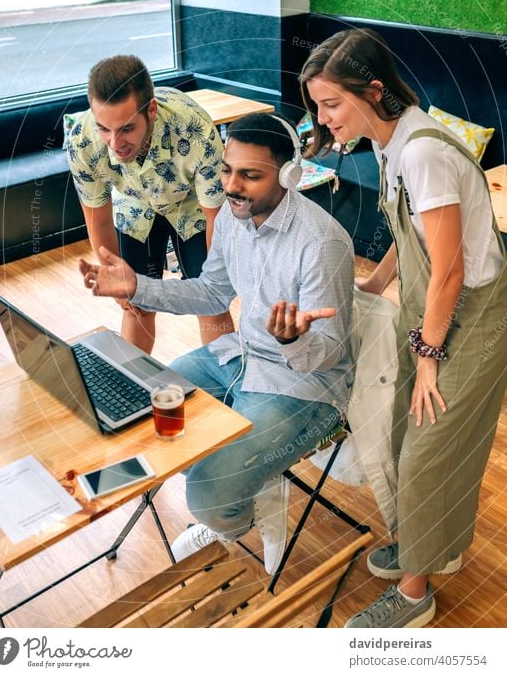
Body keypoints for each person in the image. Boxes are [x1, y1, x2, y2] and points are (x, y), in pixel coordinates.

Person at [78, 112, 355, 574]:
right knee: (144, 413)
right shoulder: (232, 216)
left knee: (207, 494)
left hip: (305, 385)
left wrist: (291, 340)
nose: (231, 185)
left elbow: (327, 351)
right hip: (238, 357)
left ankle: (231, 512)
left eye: (250, 175)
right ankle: (246, 481)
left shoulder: (322, 243)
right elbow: (211, 292)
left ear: (289, 174)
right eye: (227, 170)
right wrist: (137, 287)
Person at [300, 27, 507, 628]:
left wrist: (428, 355)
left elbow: (449, 270)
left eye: (332, 104)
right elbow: (407, 231)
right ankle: (431, 544)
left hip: (474, 317)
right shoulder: (389, 143)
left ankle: (414, 596)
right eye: (317, 105)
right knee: (399, 433)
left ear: (374, 90)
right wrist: (373, 286)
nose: (324, 117)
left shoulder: (422, 152)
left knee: (428, 452)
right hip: (436, 310)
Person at [67, 54, 233, 353]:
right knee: (135, 306)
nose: (115, 143)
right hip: (134, 205)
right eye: (104, 128)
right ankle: (132, 392)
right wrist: (115, 279)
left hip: (190, 204)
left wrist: (212, 283)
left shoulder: (197, 131)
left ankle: (225, 389)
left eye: (127, 129)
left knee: (211, 303)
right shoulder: (82, 141)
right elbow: (98, 220)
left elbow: (216, 219)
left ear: (151, 110)